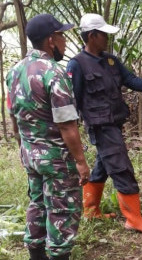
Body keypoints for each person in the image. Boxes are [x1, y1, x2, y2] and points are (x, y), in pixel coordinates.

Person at [66, 13, 142, 233]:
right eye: (104, 34)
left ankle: (90, 210)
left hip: (114, 123)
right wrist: (71, 129)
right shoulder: (77, 64)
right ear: (92, 36)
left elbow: (131, 79)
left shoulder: (110, 60)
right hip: (100, 125)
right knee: (121, 168)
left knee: (103, 166)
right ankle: (133, 219)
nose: (107, 38)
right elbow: (73, 98)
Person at [6, 14, 90, 260]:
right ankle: (58, 254)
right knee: (63, 208)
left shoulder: (14, 71)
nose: (64, 41)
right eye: (62, 36)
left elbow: (14, 116)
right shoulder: (54, 72)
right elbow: (67, 125)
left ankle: (36, 253)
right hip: (56, 158)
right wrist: (81, 162)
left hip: (31, 154)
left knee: (38, 201)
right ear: (51, 40)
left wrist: (25, 147)